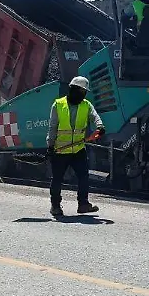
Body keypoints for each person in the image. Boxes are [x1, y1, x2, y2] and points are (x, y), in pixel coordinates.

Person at [46, 75, 105, 217]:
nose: (83, 95)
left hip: (78, 150)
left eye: (84, 93)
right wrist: (50, 145)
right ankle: (55, 206)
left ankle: (83, 204)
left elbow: (95, 117)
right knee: (57, 179)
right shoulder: (58, 105)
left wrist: (100, 126)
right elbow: (52, 127)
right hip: (60, 150)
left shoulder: (86, 105)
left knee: (83, 176)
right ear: (73, 90)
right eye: (82, 92)